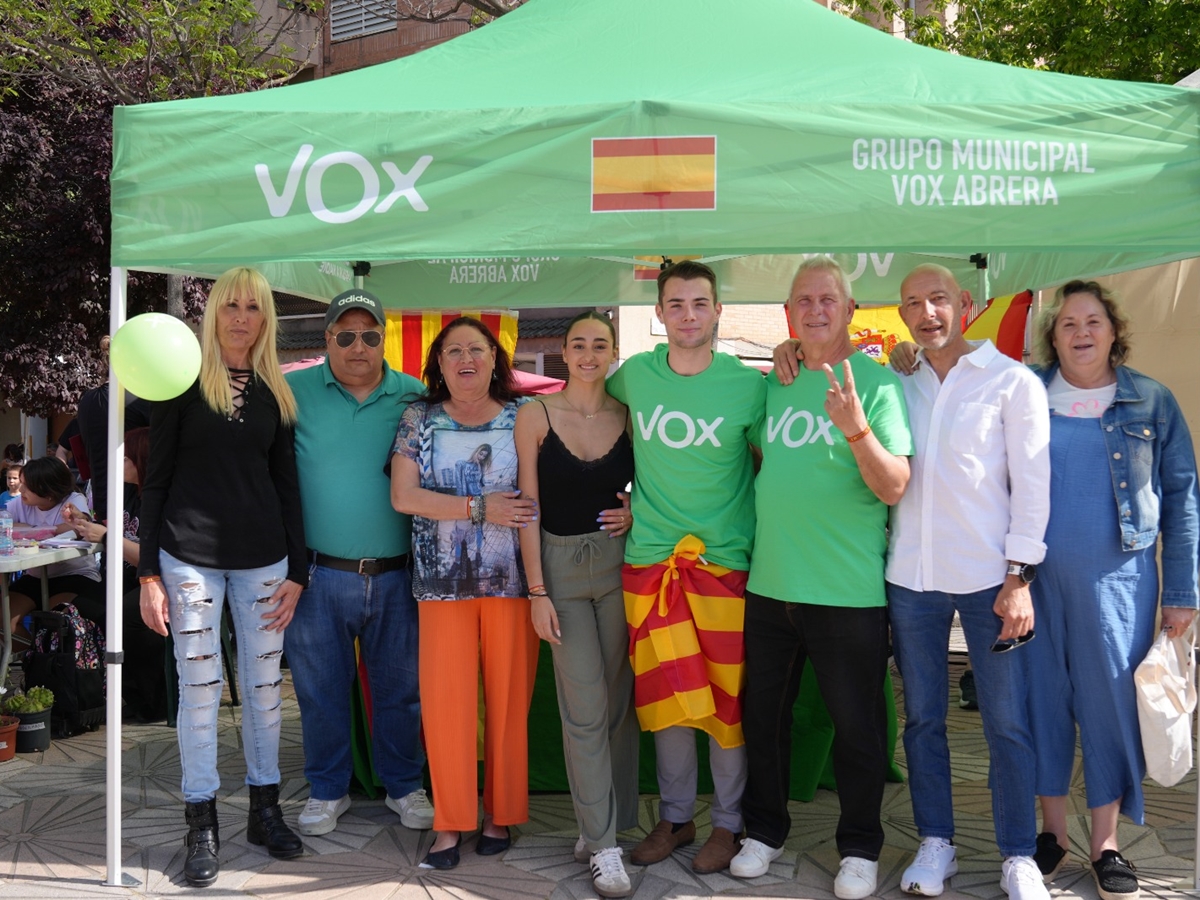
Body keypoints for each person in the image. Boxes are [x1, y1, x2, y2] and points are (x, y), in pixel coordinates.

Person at [776, 262, 1051, 899]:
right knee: (923, 720)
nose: (927, 313)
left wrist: (1020, 576)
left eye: (938, 299)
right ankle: (936, 841)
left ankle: (1017, 853)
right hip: (911, 580)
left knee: (1006, 723)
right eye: (912, 304)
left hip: (990, 580)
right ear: (900, 315)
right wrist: (790, 347)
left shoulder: (1011, 381)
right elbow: (827, 358)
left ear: (965, 303)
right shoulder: (897, 378)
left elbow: (1034, 486)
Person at [731, 259, 912, 898]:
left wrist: (855, 428)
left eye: (827, 299)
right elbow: (759, 457)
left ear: (850, 310)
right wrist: (786, 357)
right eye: (803, 300)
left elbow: (895, 485)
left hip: (847, 592)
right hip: (771, 585)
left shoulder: (879, 384)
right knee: (764, 721)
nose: (815, 310)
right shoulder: (774, 383)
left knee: (857, 730)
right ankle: (764, 831)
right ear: (788, 313)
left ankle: (860, 848)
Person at [1023, 281, 1199, 900]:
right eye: (1068, 324)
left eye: (1092, 321)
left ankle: (1105, 843)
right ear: (1053, 336)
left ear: (1114, 329)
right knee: (1040, 702)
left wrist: (1182, 591)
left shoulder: (1152, 400)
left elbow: (1183, 500)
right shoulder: (1024, 391)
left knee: (1110, 709)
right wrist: (908, 358)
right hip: (1030, 581)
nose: (1081, 333)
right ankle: (1052, 835)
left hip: (1119, 582)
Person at [138, 266, 307, 887]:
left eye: (253, 307)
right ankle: (201, 823)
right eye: (231, 305)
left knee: (264, 693)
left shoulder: (276, 393)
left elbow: (287, 487)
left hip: (265, 559)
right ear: (213, 313)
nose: (241, 317)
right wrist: (148, 573)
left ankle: (265, 812)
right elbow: (154, 482)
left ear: (266, 318)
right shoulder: (181, 384)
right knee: (200, 690)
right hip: (189, 557)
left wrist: (300, 570)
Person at [607, 260, 766, 875]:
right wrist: (618, 499)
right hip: (650, 567)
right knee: (667, 700)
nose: (688, 315)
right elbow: (587, 418)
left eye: (700, 303)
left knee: (726, 705)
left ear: (718, 310)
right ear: (659, 313)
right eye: (676, 304)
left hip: (724, 568)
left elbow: (774, 460)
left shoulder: (750, 385)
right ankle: (676, 818)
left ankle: (728, 823)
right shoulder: (634, 376)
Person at [284, 289, 434, 837]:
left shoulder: (415, 395)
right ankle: (327, 789)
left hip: (398, 573)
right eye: (345, 335)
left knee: (401, 692)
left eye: (369, 335)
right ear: (327, 339)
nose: (357, 346)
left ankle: (403, 785)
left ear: (383, 340)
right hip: (317, 575)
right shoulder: (292, 390)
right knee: (319, 693)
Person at [390, 316, 538, 871]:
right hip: (441, 586)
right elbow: (404, 496)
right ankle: (450, 822)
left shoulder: (525, 414)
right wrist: (480, 508)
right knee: (446, 705)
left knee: (508, 703)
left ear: (495, 358)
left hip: (514, 583)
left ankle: (501, 813)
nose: (465, 359)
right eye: (453, 351)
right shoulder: (419, 418)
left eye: (476, 349)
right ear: (439, 363)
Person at [514, 310, 638, 898]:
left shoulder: (629, 415)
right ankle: (605, 847)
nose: (589, 354)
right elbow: (527, 509)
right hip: (559, 571)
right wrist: (537, 591)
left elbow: (657, 485)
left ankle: (602, 825)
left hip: (618, 567)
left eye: (600, 345)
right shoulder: (535, 414)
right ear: (564, 353)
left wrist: (638, 512)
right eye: (579, 344)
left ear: (613, 353)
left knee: (617, 704)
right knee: (584, 707)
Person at [64, 427, 167, 721]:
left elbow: (155, 558)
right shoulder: (129, 493)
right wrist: (84, 523)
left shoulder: (161, 499)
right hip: (125, 577)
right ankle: (106, 691)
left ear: (143, 460)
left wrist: (107, 537)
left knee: (124, 617)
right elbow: (112, 531)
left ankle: (153, 701)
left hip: (159, 581)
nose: (118, 463)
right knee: (82, 607)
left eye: (125, 458)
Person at [5, 456, 100, 644]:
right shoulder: (19, 503)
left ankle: (46, 656)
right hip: (36, 576)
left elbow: (81, 527)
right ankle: (32, 657)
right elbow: (5, 525)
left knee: (54, 622)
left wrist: (33, 530)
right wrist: (50, 530)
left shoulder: (73, 500)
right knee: (4, 620)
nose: (21, 490)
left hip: (75, 575)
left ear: (47, 492)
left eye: (27, 486)